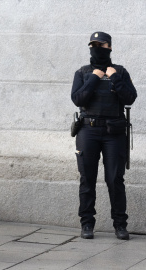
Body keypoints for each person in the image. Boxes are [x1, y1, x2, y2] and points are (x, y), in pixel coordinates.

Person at [71, 31, 137, 240]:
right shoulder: (82, 72)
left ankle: (120, 225)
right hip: (88, 130)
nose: (96, 48)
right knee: (87, 179)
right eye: (93, 44)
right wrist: (93, 78)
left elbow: (130, 97)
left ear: (109, 47)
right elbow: (78, 99)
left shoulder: (120, 71)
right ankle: (87, 224)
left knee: (115, 179)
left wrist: (114, 76)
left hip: (114, 133)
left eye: (101, 44)